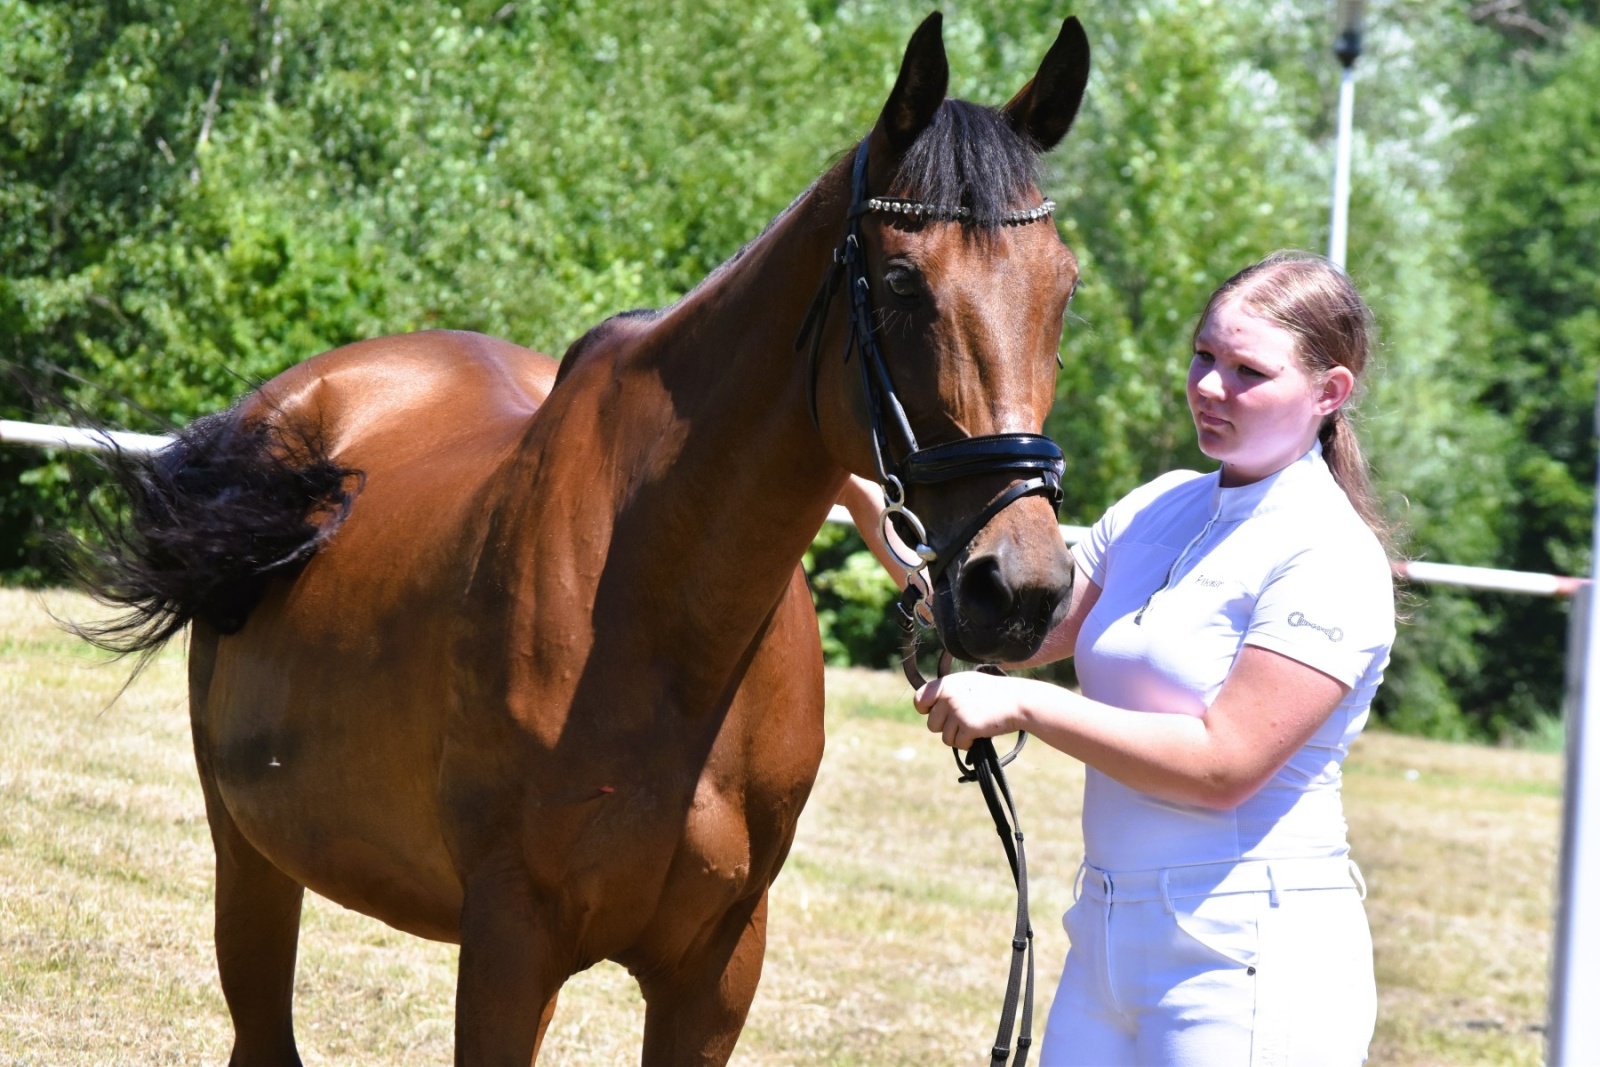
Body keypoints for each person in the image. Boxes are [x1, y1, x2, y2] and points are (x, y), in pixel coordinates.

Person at [908, 250, 1397, 1065]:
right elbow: (1022, 631)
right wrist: (861, 503)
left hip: (1249, 956)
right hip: (1107, 930)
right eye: (1204, 355)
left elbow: (1222, 763)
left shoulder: (1330, 554)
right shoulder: (1158, 505)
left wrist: (1026, 707)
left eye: (1248, 370)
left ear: (1329, 392)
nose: (1210, 385)